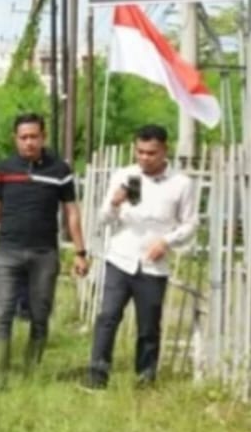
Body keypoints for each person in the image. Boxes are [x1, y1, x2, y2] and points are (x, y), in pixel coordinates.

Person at [0, 113, 89, 390]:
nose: (29, 142)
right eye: (23, 137)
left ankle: (30, 371)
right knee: (2, 313)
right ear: (15, 139)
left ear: (43, 136)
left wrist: (80, 252)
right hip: (7, 252)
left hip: (44, 253)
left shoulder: (60, 170)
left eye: (34, 136)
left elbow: (71, 212)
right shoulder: (3, 168)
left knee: (39, 312)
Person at [85, 125, 198, 390]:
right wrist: (114, 202)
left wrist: (166, 242)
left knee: (148, 323)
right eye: (140, 152)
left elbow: (190, 223)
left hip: (153, 263)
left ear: (164, 151)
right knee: (108, 316)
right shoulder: (125, 175)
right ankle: (97, 374)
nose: (145, 158)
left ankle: (145, 378)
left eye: (151, 153)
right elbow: (103, 219)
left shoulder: (181, 184)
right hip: (121, 256)